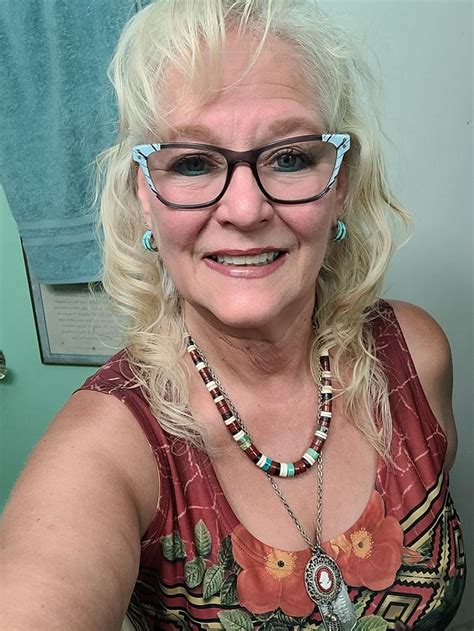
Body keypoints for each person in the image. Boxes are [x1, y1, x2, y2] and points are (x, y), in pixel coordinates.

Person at [0, 1, 465, 629]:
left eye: (291, 157)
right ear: (145, 195)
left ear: (341, 182)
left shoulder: (416, 356)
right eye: (192, 163)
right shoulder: (107, 454)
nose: (245, 210)